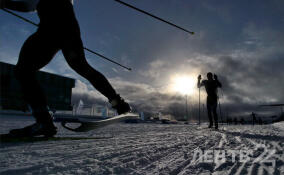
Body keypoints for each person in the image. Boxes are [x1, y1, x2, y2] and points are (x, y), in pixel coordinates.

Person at [0, 0, 131, 137]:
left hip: (56, 28)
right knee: (26, 70)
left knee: (25, 70)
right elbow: (30, 5)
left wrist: (7, 4)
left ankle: (44, 121)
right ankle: (118, 103)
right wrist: (6, 4)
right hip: (59, 28)